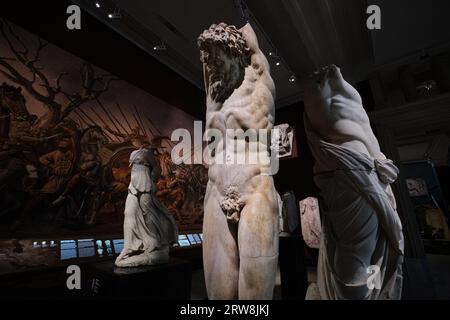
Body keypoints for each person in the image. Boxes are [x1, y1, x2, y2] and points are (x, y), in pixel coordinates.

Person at [303, 65, 404, 300]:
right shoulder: (341, 88)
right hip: (359, 171)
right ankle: (367, 293)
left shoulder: (316, 88)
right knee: (363, 253)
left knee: (366, 253)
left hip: (363, 171)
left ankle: (366, 293)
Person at [198, 23, 279, 299]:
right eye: (206, 58)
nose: (210, 65)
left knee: (254, 294)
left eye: (214, 56)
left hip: (254, 189)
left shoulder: (257, 77)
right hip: (215, 192)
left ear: (234, 53)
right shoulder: (214, 94)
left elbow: (250, 39)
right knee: (217, 293)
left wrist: (242, 12)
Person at [115, 139, 178, 267]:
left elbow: (156, 169)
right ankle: (129, 247)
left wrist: (152, 181)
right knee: (129, 212)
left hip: (146, 185)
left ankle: (154, 243)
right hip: (133, 186)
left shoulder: (148, 154)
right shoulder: (133, 154)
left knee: (148, 212)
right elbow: (133, 169)